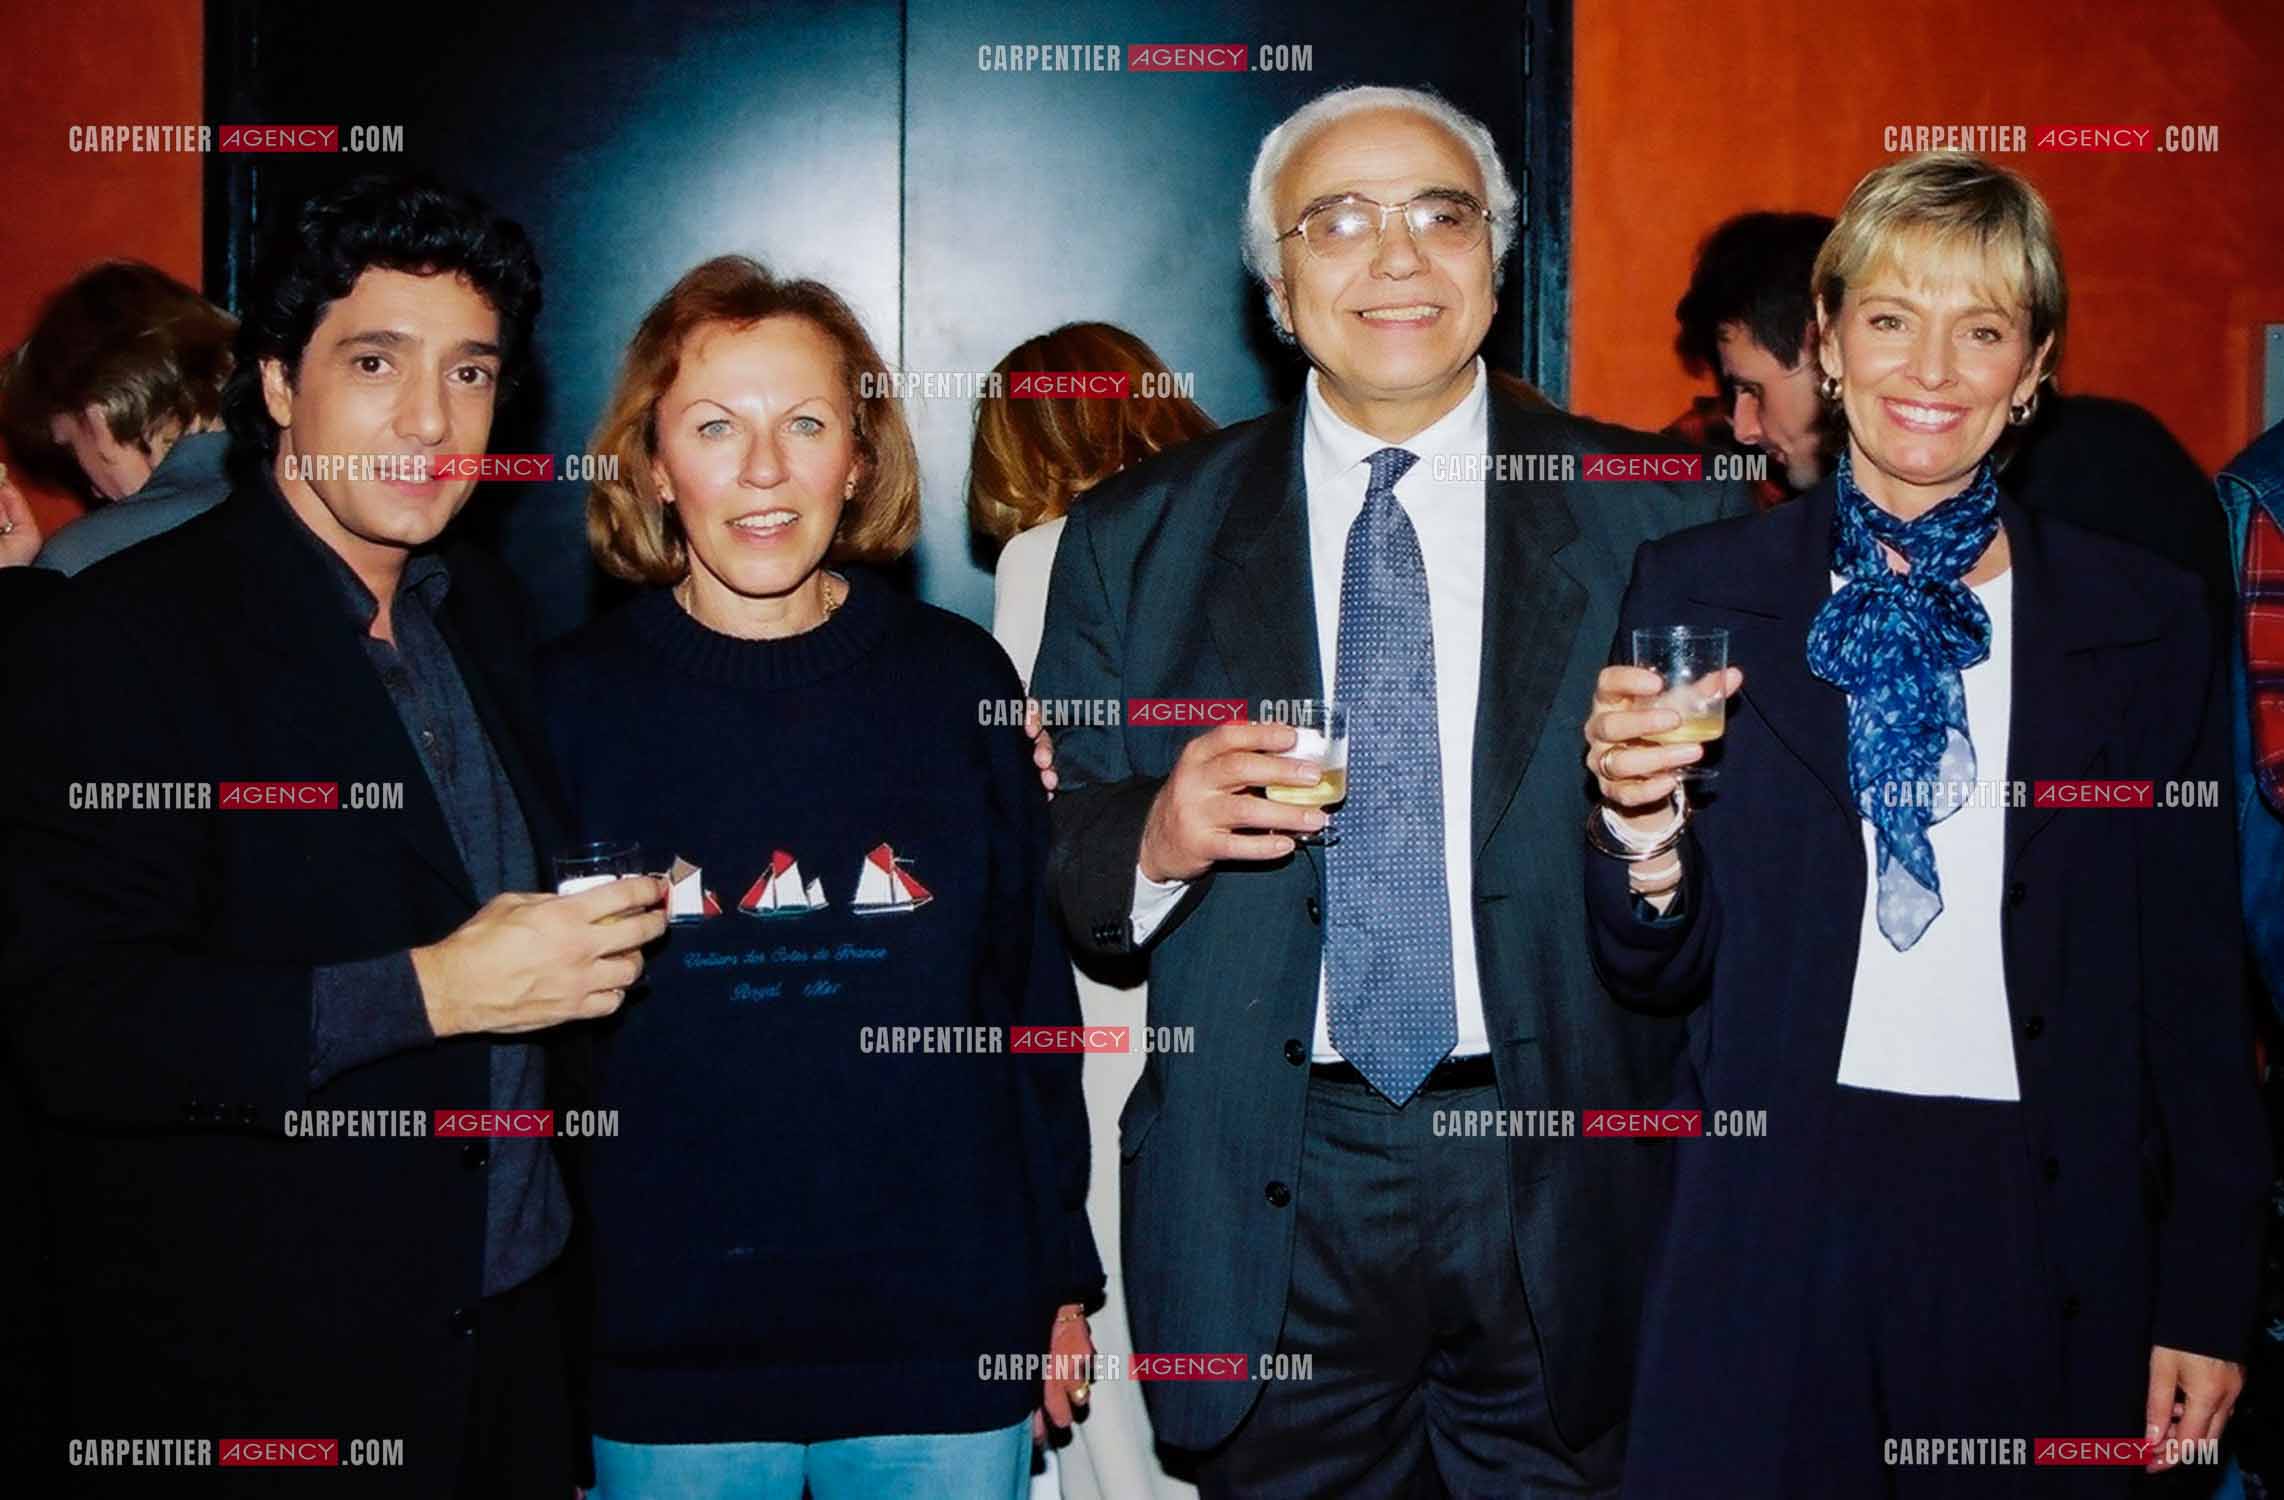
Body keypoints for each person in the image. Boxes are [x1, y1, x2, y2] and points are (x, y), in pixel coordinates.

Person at [1032, 84, 1747, 1498]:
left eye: (1441, 215)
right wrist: (1160, 838)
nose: (1399, 259)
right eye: (1339, 223)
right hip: (1269, 1185)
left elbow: (1741, 912)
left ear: (1498, 256)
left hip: (1563, 1184)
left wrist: (1647, 840)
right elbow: (1062, 861)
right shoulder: (1135, 541)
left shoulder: (1671, 517)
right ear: (1280, 290)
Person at [1581, 152, 2270, 1497]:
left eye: (1984, 329)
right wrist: (1637, 827)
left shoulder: (2142, 618)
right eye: (1892, 319)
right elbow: (1652, 967)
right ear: (1829, 344)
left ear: (2034, 372)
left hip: (2043, 1216)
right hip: (1773, 1209)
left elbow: (2193, 978)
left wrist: (2207, 1288)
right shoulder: (1699, 588)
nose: (1933, 367)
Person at [0, 174, 666, 1498]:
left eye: (470, 372)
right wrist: (434, 989)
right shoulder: (123, 636)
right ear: (276, 387)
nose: (430, 421)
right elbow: (75, 1026)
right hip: (267, 1381)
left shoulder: (473, 611)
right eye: (376, 363)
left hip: (510, 1349)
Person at [542, 255, 1101, 1500]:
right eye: (712, 427)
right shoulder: (562, 705)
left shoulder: (957, 682)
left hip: (941, 1335)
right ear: (648, 463)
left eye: (805, 424)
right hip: (665, 1347)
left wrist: (1057, 1279)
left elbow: (1026, 1007)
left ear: (860, 458)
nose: (761, 470)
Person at [973, 320, 1215, 1500]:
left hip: (1098, 987)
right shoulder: (1229, 537)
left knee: (1115, 1299)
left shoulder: (1047, 556)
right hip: (1231, 980)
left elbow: (1031, 812)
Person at [1, 260, 238, 573]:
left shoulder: (86, 560)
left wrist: (17, 586)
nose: (94, 491)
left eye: (72, 447)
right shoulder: (303, 489)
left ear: (99, 411)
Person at [1667, 210, 1837, 505]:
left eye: (1754, 390)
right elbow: (1600, 470)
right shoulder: (1725, 456)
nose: (1743, 430)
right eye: (1737, 391)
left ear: (1829, 353)